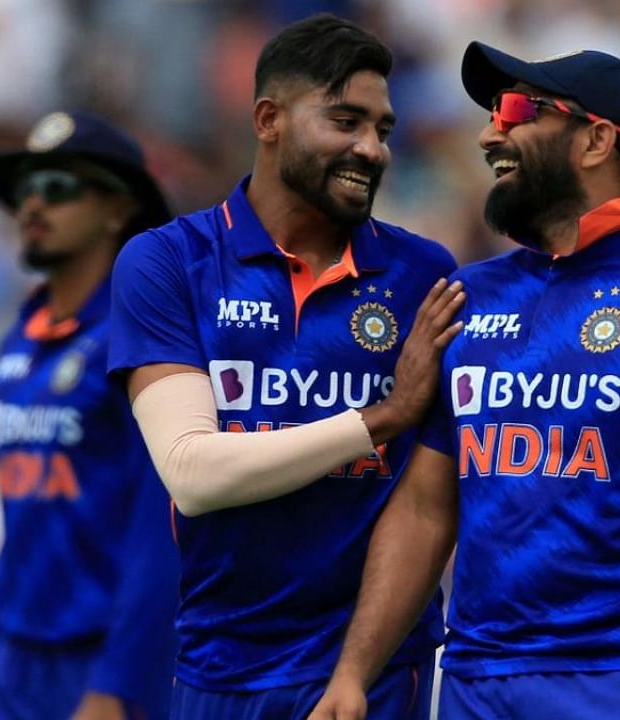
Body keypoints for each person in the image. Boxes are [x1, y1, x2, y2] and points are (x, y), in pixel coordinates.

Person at [311, 42, 620, 720]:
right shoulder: (468, 295)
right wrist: (353, 674)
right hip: (477, 682)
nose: (489, 133)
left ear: (597, 139)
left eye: (516, 111)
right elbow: (425, 508)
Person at [105, 14, 464, 720]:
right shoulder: (167, 262)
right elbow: (192, 473)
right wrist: (381, 418)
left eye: (383, 130)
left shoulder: (425, 275)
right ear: (269, 119)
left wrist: (359, 668)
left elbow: (428, 501)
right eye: (345, 121)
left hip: (372, 671)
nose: (372, 149)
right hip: (217, 660)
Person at [0, 111, 179, 720]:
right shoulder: (18, 342)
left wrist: (116, 686)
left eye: (60, 187)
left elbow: (161, 531)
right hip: (7, 661)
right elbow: (22, 534)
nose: (32, 205)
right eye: (25, 190)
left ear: (117, 210)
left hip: (97, 660)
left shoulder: (141, 341)